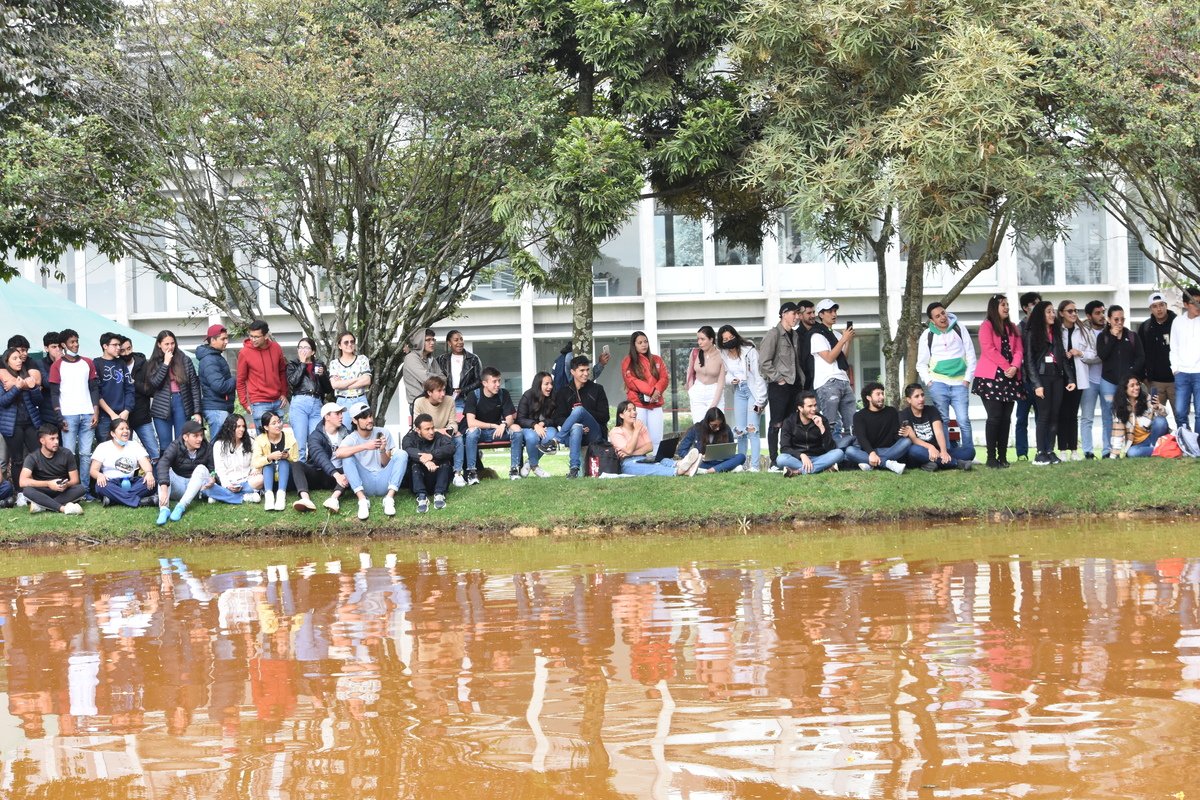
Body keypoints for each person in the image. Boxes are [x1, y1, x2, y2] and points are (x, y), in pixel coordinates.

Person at [915, 302, 976, 457]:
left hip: (960, 383)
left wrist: (967, 380)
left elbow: (971, 355)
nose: (942, 317)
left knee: (963, 420)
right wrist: (930, 382)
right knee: (943, 420)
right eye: (937, 316)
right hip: (938, 383)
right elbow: (921, 363)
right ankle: (946, 453)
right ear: (932, 321)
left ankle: (969, 453)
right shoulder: (927, 335)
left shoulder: (959, 328)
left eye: (943, 313)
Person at [972, 294, 1025, 469]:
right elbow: (988, 350)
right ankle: (991, 457)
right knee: (994, 417)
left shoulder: (1013, 327)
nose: (1007, 307)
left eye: (1008, 304)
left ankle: (1003, 456)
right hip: (991, 377)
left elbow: (1019, 350)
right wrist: (1006, 366)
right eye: (1003, 304)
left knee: (1006, 418)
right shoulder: (986, 326)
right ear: (994, 307)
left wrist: (1015, 367)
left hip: (1010, 377)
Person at [154, 420, 241, 525]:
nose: (200, 439)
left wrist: (213, 478)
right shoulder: (175, 445)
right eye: (195, 436)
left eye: (201, 435)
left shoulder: (207, 447)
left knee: (201, 468)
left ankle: (181, 506)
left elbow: (212, 469)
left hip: (196, 489)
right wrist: (164, 489)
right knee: (165, 469)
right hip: (178, 486)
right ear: (185, 437)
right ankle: (164, 509)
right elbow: (163, 464)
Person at [1023, 300, 1077, 466]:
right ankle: (1040, 452)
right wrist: (1036, 384)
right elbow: (1029, 361)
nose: (1052, 314)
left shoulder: (1057, 333)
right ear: (1041, 314)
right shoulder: (1033, 333)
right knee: (1044, 415)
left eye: (1053, 311)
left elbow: (1062, 358)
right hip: (1042, 378)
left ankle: (1050, 450)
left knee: (1055, 416)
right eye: (1049, 312)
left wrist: (1071, 379)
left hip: (1057, 378)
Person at [335, 401, 408, 520]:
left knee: (401, 453)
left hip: (384, 480)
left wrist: (382, 450)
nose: (369, 420)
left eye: (370, 416)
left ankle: (389, 498)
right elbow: (338, 453)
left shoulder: (383, 432)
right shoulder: (352, 438)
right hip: (365, 483)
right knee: (347, 457)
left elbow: (386, 464)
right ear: (355, 421)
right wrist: (365, 446)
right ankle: (362, 501)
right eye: (364, 417)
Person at [47, 328, 99, 493]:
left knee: (85, 454)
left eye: (77, 341)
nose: (76, 344)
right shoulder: (57, 365)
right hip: (68, 415)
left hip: (87, 413)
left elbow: (94, 389)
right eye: (72, 342)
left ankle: (84, 490)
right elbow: (54, 393)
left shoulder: (87, 362)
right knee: (68, 454)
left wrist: (96, 411)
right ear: (64, 345)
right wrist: (58, 416)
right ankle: (70, 489)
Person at [718, 324, 767, 471]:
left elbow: (759, 376)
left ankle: (755, 466)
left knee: (752, 429)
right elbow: (724, 374)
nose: (729, 341)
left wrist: (761, 400)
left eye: (731, 337)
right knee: (740, 431)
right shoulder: (723, 354)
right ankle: (740, 465)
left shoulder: (749, 350)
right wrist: (730, 379)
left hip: (753, 391)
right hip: (738, 391)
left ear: (735, 336)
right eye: (725, 339)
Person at [550, 356, 610, 479]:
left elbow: (605, 417)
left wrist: (584, 413)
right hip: (574, 433)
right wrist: (576, 424)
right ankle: (574, 469)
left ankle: (555, 441)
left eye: (587, 370)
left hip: (594, 432)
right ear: (572, 372)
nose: (586, 373)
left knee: (579, 410)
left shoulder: (597, 389)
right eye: (582, 370)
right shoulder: (563, 392)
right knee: (576, 427)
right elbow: (557, 418)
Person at [143, 329, 203, 451]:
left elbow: (194, 387)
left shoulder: (184, 359)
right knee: (165, 445)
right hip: (161, 404)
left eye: (172, 343)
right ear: (159, 345)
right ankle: (165, 470)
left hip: (181, 401)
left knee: (181, 442)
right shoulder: (154, 362)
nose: (170, 347)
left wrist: (197, 411)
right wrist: (165, 363)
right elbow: (154, 383)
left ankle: (180, 470)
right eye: (166, 344)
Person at [759, 301, 803, 466]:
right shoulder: (774, 334)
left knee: (792, 423)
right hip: (779, 386)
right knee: (776, 423)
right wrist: (779, 379)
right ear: (784, 313)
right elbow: (763, 362)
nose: (797, 317)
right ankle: (773, 460)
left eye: (798, 314)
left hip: (795, 385)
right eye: (794, 313)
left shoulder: (795, 335)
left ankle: (788, 456)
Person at [1096, 305, 1145, 451]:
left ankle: (1131, 446)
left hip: (1127, 383)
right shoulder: (1103, 337)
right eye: (1116, 319)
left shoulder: (1131, 336)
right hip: (1108, 382)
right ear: (1109, 320)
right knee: (1108, 414)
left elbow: (1141, 358)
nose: (1119, 322)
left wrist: (1131, 373)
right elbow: (1103, 355)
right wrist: (1112, 337)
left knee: (1131, 412)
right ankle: (1107, 449)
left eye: (1122, 319)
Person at [609, 400, 702, 477]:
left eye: (634, 409)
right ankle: (679, 471)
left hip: (643, 457)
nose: (634, 412)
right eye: (629, 410)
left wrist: (631, 453)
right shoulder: (616, 431)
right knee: (650, 468)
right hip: (627, 462)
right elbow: (629, 449)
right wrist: (636, 431)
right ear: (621, 415)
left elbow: (649, 447)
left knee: (660, 459)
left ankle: (681, 464)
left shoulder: (642, 427)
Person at [464, 366, 522, 482]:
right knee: (471, 432)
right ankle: (472, 473)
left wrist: (503, 425)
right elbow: (471, 422)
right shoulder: (474, 395)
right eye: (494, 381)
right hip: (479, 432)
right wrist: (493, 425)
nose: (498, 384)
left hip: (498, 431)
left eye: (499, 381)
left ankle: (515, 470)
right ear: (485, 383)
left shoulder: (503, 394)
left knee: (516, 429)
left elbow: (510, 418)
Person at [809, 299, 857, 436]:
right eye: (830, 311)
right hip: (828, 382)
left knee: (852, 424)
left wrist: (847, 341)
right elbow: (829, 358)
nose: (834, 314)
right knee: (832, 425)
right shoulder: (816, 334)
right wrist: (843, 340)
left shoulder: (836, 334)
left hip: (843, 379)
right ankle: (832, 453)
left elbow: (842, 358)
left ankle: (849, 453)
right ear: (821, 314)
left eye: (835, 311)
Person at [252, 410, 316, 512]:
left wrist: (288, 456)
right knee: (268, 464)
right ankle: (269, 496)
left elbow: (296, 461)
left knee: (284, 461)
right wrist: (269, 457)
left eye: (279, 421)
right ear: (266, 427)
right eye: (274, 423)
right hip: (269, 479)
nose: (278, 425)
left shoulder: (289, 438)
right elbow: (255, 462)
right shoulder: (260, 440)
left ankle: (281, 495)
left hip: (287, 479)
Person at [899, 383, 973, 471]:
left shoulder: (932, 410)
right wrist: (930, 447)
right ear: (909, 400)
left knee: (970, 452)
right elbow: (913, 439)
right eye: (917, 396)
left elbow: (939, 432)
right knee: (914, 450)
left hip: (937, 451)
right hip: (920, 450)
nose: (921, 399)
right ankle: (956, 463)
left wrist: (943, 451)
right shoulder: (904, 415)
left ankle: (928, 464)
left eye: (922, 395)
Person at [1, 347, 46, 489]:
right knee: (17, 460)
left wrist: (33, 388)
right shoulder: (3, 378)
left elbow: (38, 401)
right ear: (7, 361)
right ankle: (20, 492)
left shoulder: (26, 375)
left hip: (31, 422)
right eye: (14, 358)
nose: (19, 361)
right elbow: (3, 402)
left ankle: (39, 488)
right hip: (12, 425)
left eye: (20, 358)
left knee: (37, 455)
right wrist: (17, 388)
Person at [236, 319, 289, 436]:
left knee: (279, 439)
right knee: (263, 442)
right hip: (259, 402)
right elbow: (240, 381)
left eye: (256, 337)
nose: (253, 339)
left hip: (277, 401)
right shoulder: (244, 353)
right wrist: (245, 403)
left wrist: (284, 393)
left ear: (265, 336)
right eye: (251, 336)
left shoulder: (276, 348)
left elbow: (282, 372)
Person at [19, 423, 84, 514]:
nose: (56, 442)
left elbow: (75, 480)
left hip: (62, 490)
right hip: (43, 490)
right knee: (27, 490)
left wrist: (66, 485)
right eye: (52, 439)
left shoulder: (66, 454)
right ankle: (63, 508)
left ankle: (42, 505)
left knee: (80, 489)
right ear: (42, 441)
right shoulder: (32, 457)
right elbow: (22, 482)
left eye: (57, 438)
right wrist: (48, 484)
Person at [1056, 300, 1093, 460]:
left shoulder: (1083, 330)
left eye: (1075, 311)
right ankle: (1062, 449)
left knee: (1073, 413)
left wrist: (1080, 353)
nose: (1073, 314)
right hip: (1060, 377)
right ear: (1061, 313)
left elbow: (1094, 353)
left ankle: (1074, 450)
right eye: (1069, 311)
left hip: (1078, 376)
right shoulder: (1056, 330)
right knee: (1062, 413)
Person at [89, 418, 156, 507]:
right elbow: (93, 470)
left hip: (131, 482)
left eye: (127, 428)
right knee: (100, 486)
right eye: (122, 429)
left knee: (151, 483)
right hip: (111, 483)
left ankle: (113, 500)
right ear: (113, 433)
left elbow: (146, 464)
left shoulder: (134, 445)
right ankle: (141, 502)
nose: (126, 431)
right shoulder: (103, 447)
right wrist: (99, 475)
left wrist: (149, 473)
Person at [413, 376, 466, 487]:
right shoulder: (419, 402)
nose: (443, 394)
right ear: (429, 392)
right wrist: (438, 430)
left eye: (444, 390)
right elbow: (416, 426)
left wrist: (449, 430)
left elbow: (453, 422)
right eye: (439, 391)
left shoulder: (449, 400)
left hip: (445, 435)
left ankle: (458, 474)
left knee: (459, 438)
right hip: (426, 435)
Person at [620, 331, 669, 450]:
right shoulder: (628, 361)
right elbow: (631, 381)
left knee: (656, 438)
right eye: (640, 342)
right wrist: (652, 391)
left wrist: (656, 391)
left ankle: (657, 462)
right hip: (638, 404)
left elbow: (664, 378)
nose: (644, 345)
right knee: (638, 436)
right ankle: (638, 464)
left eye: (645, 341)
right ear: (634, 345)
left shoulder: (657, 359)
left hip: (655, 403)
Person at [844, 382, 908, 473]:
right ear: (868, 398)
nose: (882, 397)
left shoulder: (891, 411)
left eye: (882, 393)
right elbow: (862, 438)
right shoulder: (859, 416)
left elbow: (895, 435)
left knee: (907, 441)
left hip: (889, 450)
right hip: (868, 451)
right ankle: (888, 464)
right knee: (849, 451)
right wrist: (871, 453)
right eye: (878, 394)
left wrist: (902, 433)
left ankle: (871, 464)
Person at [776, 391, 844, 476]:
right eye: (810, 406)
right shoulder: (789, 422)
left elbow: (831, 448)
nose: (814, 409)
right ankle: (821, 469)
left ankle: (798, 471)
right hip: (798, 459)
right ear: (800, 408)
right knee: (781, 459)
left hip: (819, 457)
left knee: (839, 453)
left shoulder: (822, 420)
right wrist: (801, 455)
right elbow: (784, 448)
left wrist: (822, 428)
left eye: (815, 405)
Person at [286, 337, 332, 462]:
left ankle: (314, 473)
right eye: (300, 347)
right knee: (300, 444)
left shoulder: (319, 365)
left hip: (316, 403)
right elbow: (293, 382)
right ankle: (301, 477)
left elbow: (328, 389)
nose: (303, 350)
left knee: (316, 442)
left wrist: (322, 376)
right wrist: (302, 363)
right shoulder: (293, 365)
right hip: (300, 402)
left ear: (313, 351)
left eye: (306, 348)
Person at [304, 402, 351, 513]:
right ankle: (305, 499)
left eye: (341, 413)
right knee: (297, 465)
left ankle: (334, 498)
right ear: (327, 417)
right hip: (321, 473)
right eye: (337, 413)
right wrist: (336, 474)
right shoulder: (315, 436)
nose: (341, 416)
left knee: (351, 465)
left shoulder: (347, 434)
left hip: (341, 475)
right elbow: (319, 457)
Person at [402, 413, 454, 512]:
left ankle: (439, 494)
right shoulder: (409, 438)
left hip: (437, 476)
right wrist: (425, 461)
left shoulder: (439, 437)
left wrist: (432, 456)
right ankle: (421, 497)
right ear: (418, 430)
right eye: (427, 429)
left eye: (432, 428)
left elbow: (451, 448)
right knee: (414, 464)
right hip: (418, 478)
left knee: (445, 461)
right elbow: (408, 449)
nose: (431, 432)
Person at [119, 337, 159, 460]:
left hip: (142, 416)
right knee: (124, 455)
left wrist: (134, 383)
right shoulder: (116, 366)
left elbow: (151, 390)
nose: (126, 353)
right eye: (123, 351)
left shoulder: (143, 364)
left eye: (129, 349)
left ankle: (160, 479)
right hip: (122, 417)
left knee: (154, 453)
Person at [1013, 291, 1042, 460]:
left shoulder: (1045, 327)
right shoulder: (1019, 328)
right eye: (1034, 304)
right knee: (1021, 418)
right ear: (1025, 307)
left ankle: (1042, 449)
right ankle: (1022, 453)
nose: (1037, 307)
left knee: (1042, 418)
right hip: (1023, 381)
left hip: (1042, 380)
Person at [1111, 375, 1169, 457]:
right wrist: (1114, 455)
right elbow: (1118, 432)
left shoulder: (1146, 398)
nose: (1136, 387)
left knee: (1160, 421)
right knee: (1132, 453)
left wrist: (1158, 407)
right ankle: (1162, 450)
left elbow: (1165, 414)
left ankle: (1154, 448)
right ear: (1124, 389)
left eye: (1137, 384)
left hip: (1152, 437)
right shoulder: (1120, 408)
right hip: (1138, 444)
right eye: (1132, 385)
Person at [212, 413, 264, 503]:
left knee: (260, 479)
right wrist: (227, 485)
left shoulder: (250, 442)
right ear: (229, 427)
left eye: (243, 426)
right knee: (206, 486)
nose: (242, 429)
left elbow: (256, 461)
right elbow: (219, 469)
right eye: (238, 426)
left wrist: (255, 470)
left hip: (247, 481)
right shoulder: (219, 445)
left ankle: (220, 495)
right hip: (228, 482)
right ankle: (244, 496)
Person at [434, 329, 483, 425]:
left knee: (462, 427)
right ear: (449, 343)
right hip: (445, 399)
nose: (460, 342)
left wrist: (463, 390)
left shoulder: (473, 359)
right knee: (447, 427)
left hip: (465, 399)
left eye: (461, 339)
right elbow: (436, 380)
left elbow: (479, 381)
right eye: (456, 340)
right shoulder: (441, 359)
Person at [94, 332, 135, 445]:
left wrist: (127, 410)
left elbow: (129, 389)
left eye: (119, 345)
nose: (118, 348)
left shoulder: (121, 363)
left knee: (125, 448)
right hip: (104, 416)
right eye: (115, 345)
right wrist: (111, 414)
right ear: (105, 346)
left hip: (123, 415)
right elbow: (96, 392)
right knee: (105, 449)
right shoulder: (96, 363)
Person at [1079, 300, 1109, 458]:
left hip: (1107, 381)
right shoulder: (1082, 332)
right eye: (1097, 313)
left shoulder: (1110, 331)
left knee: (1108, 416)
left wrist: (1088, 355)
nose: (1102, 316)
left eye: (1103, 312)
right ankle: (1088, 451)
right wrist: (1096, 356)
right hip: (1089, 380)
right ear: (1089, 316)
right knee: (1087, 417)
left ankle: (1107, 451)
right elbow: (1084, 357)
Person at [1140, 291, 1177, 416]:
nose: (1159, 309)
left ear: (1166, 305)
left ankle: (1183, 436)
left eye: (1161, 305)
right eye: (1155, 306)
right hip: (1155, 382)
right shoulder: (1145, 327)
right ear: (1150, 308)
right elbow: (1141, 354)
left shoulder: (1178, 323)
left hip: (1177, 380)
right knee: (1157, 419)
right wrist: (1145, 378)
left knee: (1181, 416)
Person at [678, 407, 746, 473]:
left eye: (720, 425)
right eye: (714, 425)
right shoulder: (696, 429)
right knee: (694, 464)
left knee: (741, 456)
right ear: (707, 422)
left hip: (721, 461)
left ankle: (708, 471)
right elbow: (681, 450)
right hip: (702, 463)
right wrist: (696, 457)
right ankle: (726, 468)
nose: (718, 428)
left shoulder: (726, 429)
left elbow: (731, 450)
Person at [516, 371, 558, 479]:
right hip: (528, 427)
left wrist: (544, 423)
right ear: (538, 384)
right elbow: (520, 419)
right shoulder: (528, 395)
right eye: (546, 384)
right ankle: (535, 467)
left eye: (551, 384)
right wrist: (534, 425)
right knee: (532, 437)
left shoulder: (553, 396)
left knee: (550, 437)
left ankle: (529, 463)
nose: (550, 387)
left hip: (546, 427)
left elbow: (556, 418)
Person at [1170, 285, 1200, 430]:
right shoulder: (1177, 322)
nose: (1197, 306)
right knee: (1181, 412)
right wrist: (1175, 369)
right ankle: (1186, 444)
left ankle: (1198, 447)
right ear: (1186, 304)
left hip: (1199, 373)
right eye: (1194, 303)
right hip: (1182, 372)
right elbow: (1173, 347)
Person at [197, 324, 236, 434]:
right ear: (212, 340)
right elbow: (219, 386)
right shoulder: (210, 359)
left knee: (222, 445)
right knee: (218, 446)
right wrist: (235, 380)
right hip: (217, 409)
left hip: (219, 407)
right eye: (223, 339)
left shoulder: (215, 356)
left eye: (226, 338)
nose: (226, 341)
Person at [328, 330, 371, 429]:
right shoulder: (334, 364)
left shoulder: (362, 359)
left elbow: (367, 380)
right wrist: (358, 379)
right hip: (343, 402)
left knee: (365, 430)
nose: (350, 344)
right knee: (345, 433)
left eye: (352, 342)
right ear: (339, 346)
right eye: (346, 342)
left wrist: (344, 384)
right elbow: (335, 385)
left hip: (360, 399)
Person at [686, 326, 726, 423]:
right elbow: (690, 372)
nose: (699, 342)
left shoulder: (721, 355)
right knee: (699, 426)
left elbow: (721, 383)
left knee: (715, 426)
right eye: (698, 339)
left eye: (702, 339)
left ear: (711, 339)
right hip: (697, 391)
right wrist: (691, 390)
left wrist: (713, 405)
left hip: (714, 391)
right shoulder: (695, 353)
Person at [402, 328, 442, 412]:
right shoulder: (411, 358)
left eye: (433, 339)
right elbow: (426, 378)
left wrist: (436, 379)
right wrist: (437, 378)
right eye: (428, 340)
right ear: (419, 342)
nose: (432, 343)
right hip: (419, 404)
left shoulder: (431, 359)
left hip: (435, 403)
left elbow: (444, 378)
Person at [796, 299, 817, 390]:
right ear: (800, 316)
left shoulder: (822, 330)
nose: (813, 315)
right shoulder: (795, 335)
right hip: (805, 382)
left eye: (813, 312)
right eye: (809, 313)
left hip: (823, 379)